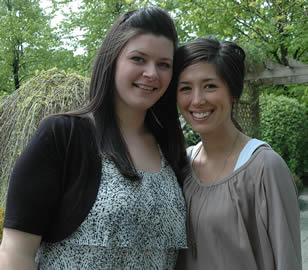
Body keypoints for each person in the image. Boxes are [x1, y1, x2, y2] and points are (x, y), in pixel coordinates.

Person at [0, 7, 189, 270]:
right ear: (112, 60)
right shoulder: (63, 136)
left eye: (163, 64)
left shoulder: (170, 148)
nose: (152, 73)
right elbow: (14, 253)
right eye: (138, 59)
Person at [174, 37, 302, 270]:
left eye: (210, 86)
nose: (197, 100)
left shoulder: (265, 167)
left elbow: (287, 258)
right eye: (185, 88)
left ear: (233, 92)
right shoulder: (182, 164)